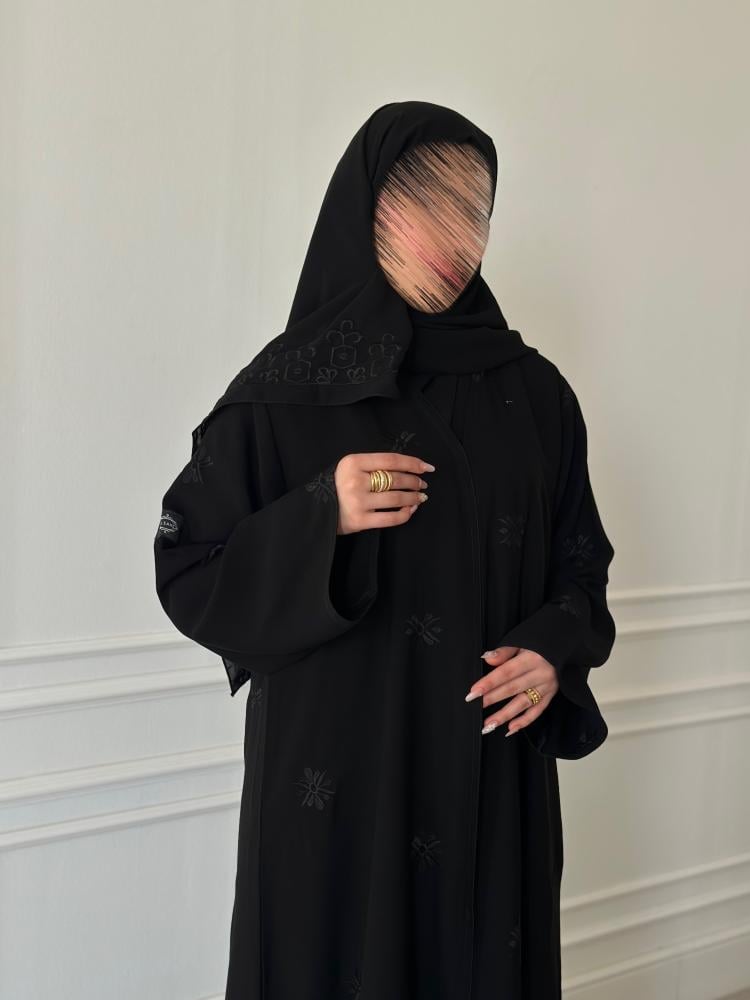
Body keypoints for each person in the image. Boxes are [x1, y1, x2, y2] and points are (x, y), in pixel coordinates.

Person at [153, 100, 616, 1000]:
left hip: (487, 775)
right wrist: (320, 512)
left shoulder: (538, 395)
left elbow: (581, 563)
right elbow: (188, 566)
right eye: (424, 199)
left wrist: (553, 653)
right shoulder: (284, 395)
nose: (455, 233)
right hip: (336, 786)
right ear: (364, 207)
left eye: (474, 207)